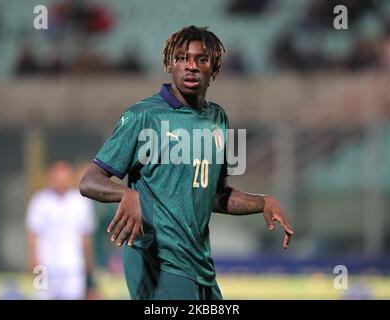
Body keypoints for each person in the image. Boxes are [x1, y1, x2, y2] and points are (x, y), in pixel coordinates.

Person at [79, 25, 294, 300]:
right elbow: (89, 181)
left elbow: (215, 196)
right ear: (170, 63)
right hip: (158, 261)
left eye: (201, 59)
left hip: (200, 265)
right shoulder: (142, 116)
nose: (190, 66)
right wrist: (127, 193)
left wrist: (263, 202)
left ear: (213, 67)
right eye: (182, 58)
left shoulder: (218, 118)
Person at [26, 160, 95, 300]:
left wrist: (88, 263)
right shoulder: (39, 201)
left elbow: (85, 237)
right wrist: (34, 260)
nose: (60, 180)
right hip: (44, 268)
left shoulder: (81, 202)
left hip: (73, 267)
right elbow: (33, 234)